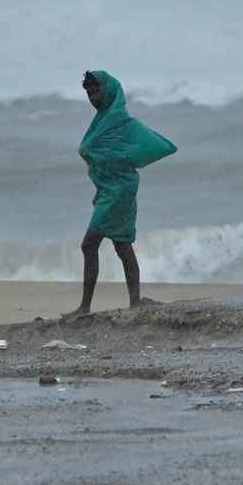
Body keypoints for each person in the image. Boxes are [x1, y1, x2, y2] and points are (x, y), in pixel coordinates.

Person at [66, 70, 177, 317]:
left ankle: (84, 308)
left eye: (97, 91)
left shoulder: (123, 122)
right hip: (109, 190)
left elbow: (153, 146)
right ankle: (135, 301)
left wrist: (110, 159)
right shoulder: (101, 120)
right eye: (89, 93)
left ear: (110, 91)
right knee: (122, 245)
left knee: (89, 245)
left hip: (119, 192)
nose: (93, 97)